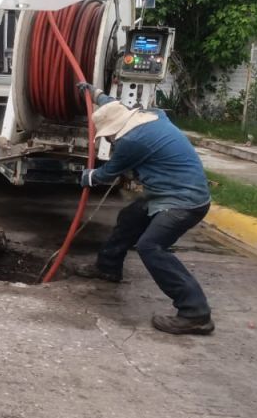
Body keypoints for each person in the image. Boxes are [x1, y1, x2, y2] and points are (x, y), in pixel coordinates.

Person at [74, 83, 214, 335]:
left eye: (108, 136)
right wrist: (93, 92)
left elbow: (106, 174)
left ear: (116, 131)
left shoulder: (132, 141)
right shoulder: (144, 117)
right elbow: (110, 103)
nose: (108, 139)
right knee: (130, 217)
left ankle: (195, 313)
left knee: (151, 247)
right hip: (168, 193)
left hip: (184, 202)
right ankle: (108, 267)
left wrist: (87, 177)